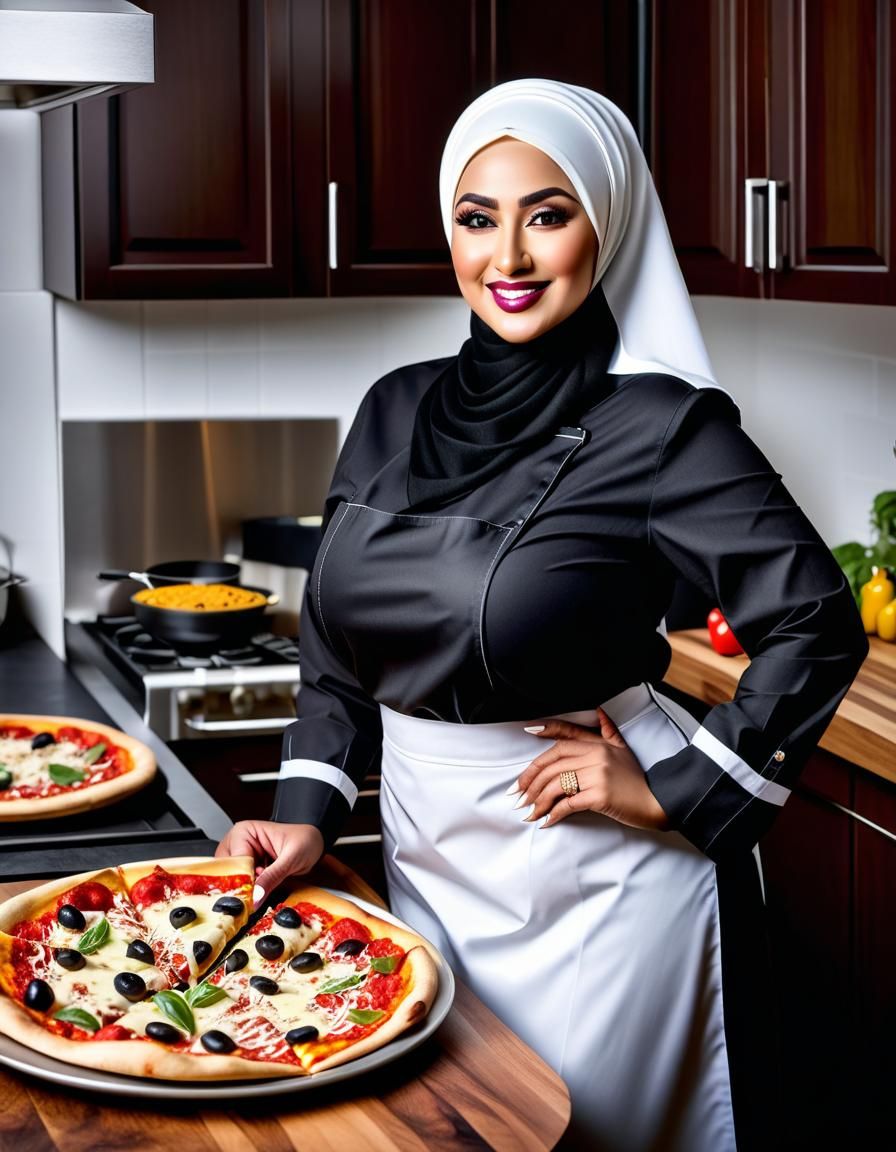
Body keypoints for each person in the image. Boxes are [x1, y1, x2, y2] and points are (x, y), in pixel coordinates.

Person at [217, 79, 869, 1150]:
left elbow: (813, 620)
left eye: (547, 214)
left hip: (599, 895)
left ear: (601, 227)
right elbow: (336, 652)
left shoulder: (660, 426)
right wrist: (305, 807)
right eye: (477, 218)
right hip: (427, 865)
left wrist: (673, 784)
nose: (506, 258)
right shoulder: (394, 404)